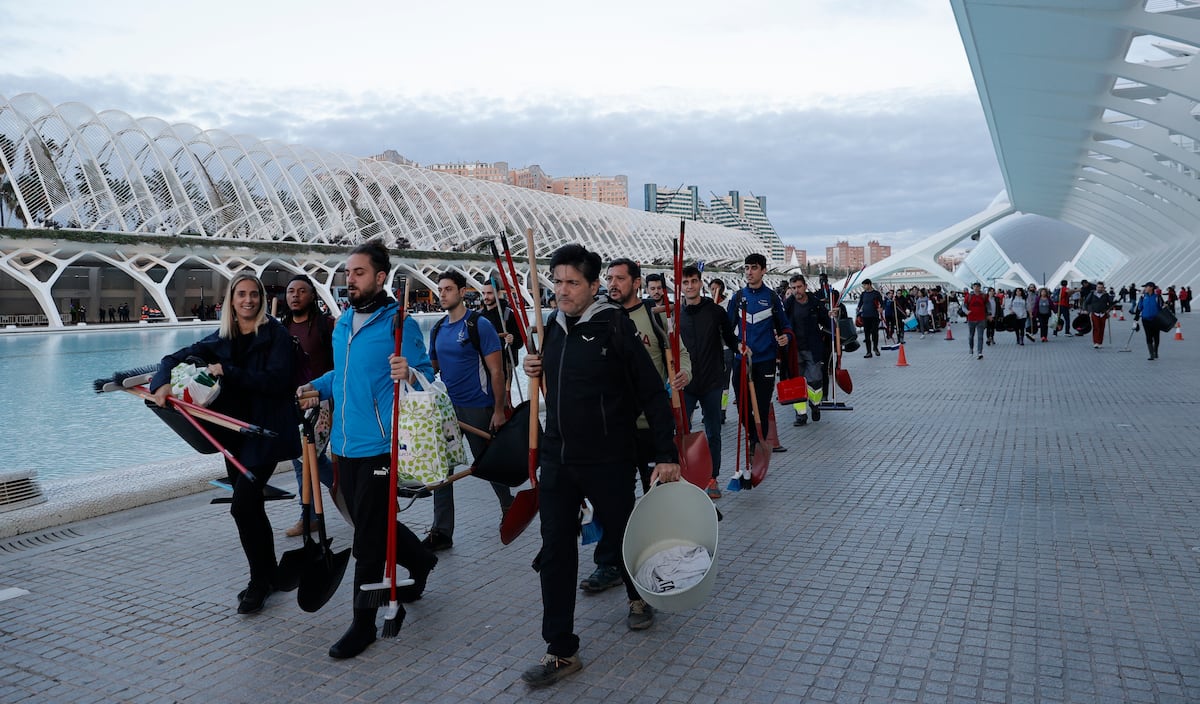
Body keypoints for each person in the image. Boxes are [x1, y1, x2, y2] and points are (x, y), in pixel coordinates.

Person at [519, 243, 680, 688]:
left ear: (594, 286)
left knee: (625, 533)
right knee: (555, 552)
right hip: (558, 458)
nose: (563, 290)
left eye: (573, 283)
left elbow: (652, 391)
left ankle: (639, 595)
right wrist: (534, 365)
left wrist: (666, 453)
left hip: (609, 456)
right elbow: (548, 380)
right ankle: (561, 650)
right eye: (557, 281)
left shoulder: (614, 327)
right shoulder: (550, 327)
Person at [301, 239, 439, 659]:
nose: (350, 279)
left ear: (381, 277)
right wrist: (317, 388)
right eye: (348, 273)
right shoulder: (343, 322)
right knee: (370, 521)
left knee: (368, 538)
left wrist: (411, 371)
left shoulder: (400, 324)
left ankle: (363, 624)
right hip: (343, 445)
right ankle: (420, 562)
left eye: (358, 273)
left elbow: (429, 377)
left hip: (381, 446)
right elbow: (342, 374)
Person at [149, 274, 300, 615]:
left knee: (242, 506)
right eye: (241, 294)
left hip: (265, 432)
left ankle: (259, 583)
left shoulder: (275, 335)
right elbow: (173, 358)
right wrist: (161, 383)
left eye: (253, 294)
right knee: (251, 507)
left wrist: (227, 372)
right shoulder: (221, 338)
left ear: (261, 298)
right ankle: (270, 573)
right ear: (231, 300)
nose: (248, 300)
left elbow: (277, 381)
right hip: (233, 436)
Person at [579, 257, 689, 593]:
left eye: (620, 279)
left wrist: (685, 373)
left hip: (649, 426)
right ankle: (609, 562)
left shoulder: (654, 321)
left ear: (637, 283)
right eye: (609, 278)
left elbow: (679, 353)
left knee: (654, 499)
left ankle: (658, 559)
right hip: (612, 429)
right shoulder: (597, 318)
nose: (613, 284)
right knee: (613, 500)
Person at [423, 271, 513, 551]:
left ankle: (509, 507)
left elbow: (497, 371)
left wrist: (498, 410)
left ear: (462, 292)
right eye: (440, 289)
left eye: (448, 289)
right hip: (448, 409)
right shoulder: (438, 329)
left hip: (478, 406)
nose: (443, 294)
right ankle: (442, 531)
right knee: (442, 468)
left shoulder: (479, 325)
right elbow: (431, 369)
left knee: (486, 464)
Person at [280, 274, 337, 537]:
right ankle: (311, 514)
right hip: (295, 402)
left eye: (301, 291)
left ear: (312, 295)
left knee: (308, 457)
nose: (295, 296)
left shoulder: (326, 325)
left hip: (321, 401)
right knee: (300, 458)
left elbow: (340, 366)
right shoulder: (283, 327)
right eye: (291, 291)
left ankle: (346, 490)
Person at [678, 265, 738, 499]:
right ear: (681, 286)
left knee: (713, 432)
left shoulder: (715, 311)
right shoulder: (676, 315)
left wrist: (741, 347)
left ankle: (712, 478)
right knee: (683, 430)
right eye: (686, 282)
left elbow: (730, 338)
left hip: (712, 381)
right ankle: (685, 475)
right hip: (686, 384)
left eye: (694, 281)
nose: (690, 286)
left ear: (700, 283)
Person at [727, 253, 791, 455]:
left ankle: (756, 444)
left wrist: (786, 337)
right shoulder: (737, 298)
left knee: (762, 407)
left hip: (766, 361)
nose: (749, 272)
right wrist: (737, 345)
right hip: (741, 361)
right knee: (742, 407)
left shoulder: (772, 297)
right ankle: (753, 436)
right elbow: (727, 331)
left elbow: (786, 326)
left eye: (754, 268)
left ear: (763, 270)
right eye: (746, 268)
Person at [784, 274, 830, 425]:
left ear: (805, 287)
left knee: (815, 379)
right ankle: (800, 415)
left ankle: (815, 405)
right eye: (793, 288)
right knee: (797, 382)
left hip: (812, 348)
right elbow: (780, 323)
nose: (796, 290)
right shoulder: (788, 305)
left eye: (799, 287)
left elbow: (827, 321)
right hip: (794, 349)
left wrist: (833, 317)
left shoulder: (815, 303)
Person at [478, 281, 520, 391]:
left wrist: (512, 339)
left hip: (505, 363)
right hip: (483, 364)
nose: (485, 297)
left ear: (498, 293)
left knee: (504, 399)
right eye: (483, 293)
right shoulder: (478, 316)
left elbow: (520, 341)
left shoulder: (508, 314)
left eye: (489, 293)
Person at [708, 278, 734, 423]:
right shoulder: (707, 305)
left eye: (717, 289)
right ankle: (711, 412)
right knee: (711, 381)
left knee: (724, 382)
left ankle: (722, 411)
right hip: (711, 349)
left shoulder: (728, 305)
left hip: (725, 349)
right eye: (712, 289)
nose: (714, 292)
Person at [1133, 282, 1165, 360]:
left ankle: (1155, 351)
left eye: (1146, 287)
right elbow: (1139, 308)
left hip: (1156, 320)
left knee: (1156, 337)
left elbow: (1162, 307)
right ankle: (1151, 354)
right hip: (1145, 320)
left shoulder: (1157, 297)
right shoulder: (1143, 297)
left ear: (1151, 288)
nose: (1145, 289)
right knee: (1148, 336)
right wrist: (1136, 319)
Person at [855, 278, 883, 358]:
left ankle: (875, 348)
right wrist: (858, 308)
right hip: (865, 316)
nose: (864, 286)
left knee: (875, 333)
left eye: (865, 285)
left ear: (869, 285)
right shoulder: (863, 294)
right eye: (863, 285)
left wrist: (881, 308)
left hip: (874, 316)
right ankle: (868, 352)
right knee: (866, 335)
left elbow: (882, 303)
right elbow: (860, 303)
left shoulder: (876, 293)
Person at [1083, 281, 1115, 349]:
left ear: (1103, 288)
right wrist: (1085, 310)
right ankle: (1096, 342)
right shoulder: (1092, 294)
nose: (1099, 289)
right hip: (1095, 313)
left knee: (1102, 328)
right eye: (1098, 287)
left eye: (1101, 287)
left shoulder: (1106, 295)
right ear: (1096, 287)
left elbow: (1111, 303)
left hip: (1103, 314)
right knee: (1096, 327)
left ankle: (1100, 342)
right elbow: (1086, 302)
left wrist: (1109, 309)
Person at [964, 282, 988, 359]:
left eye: (978, 287)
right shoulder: (969, 296)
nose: (976, 288)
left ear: (980, 288)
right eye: (975, 286)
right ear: (973, 287)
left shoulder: (984, 296)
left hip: (981, 319)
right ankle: (971, 348)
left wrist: (990, 314)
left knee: (980, 336)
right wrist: (966, 311)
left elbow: (988, 305)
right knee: (971, 336)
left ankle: (980, 352)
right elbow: (963, 306)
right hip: (971, 319)